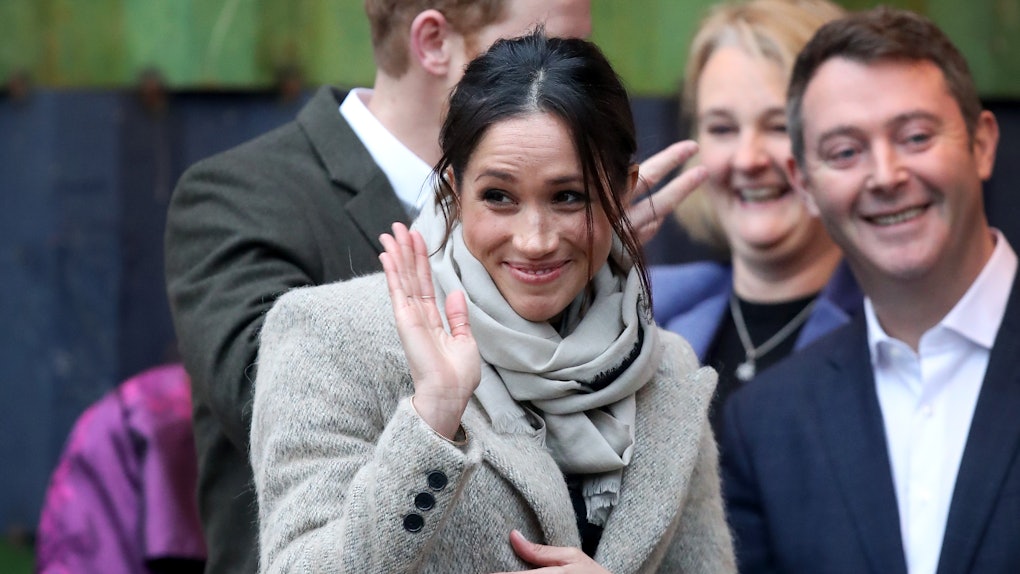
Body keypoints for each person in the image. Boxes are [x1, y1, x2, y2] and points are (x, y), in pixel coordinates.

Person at [164, 2, 700, 572]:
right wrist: (433, 414)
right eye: (498, 197)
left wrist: (590, 237)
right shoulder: (254, 224)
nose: (534, 237)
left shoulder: (661, 366)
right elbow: (277, 411)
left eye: (569, 195)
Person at [720, 7, 1020, 574]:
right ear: (805, 185)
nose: (885, 175)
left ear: (982, 144)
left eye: (915, 137)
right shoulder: (767, 424)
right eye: (845, 152)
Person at [650, 0, 861, 435]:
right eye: (722, 129)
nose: (748, 159)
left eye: (780, 126)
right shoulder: (644, 311)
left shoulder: (892, 329)